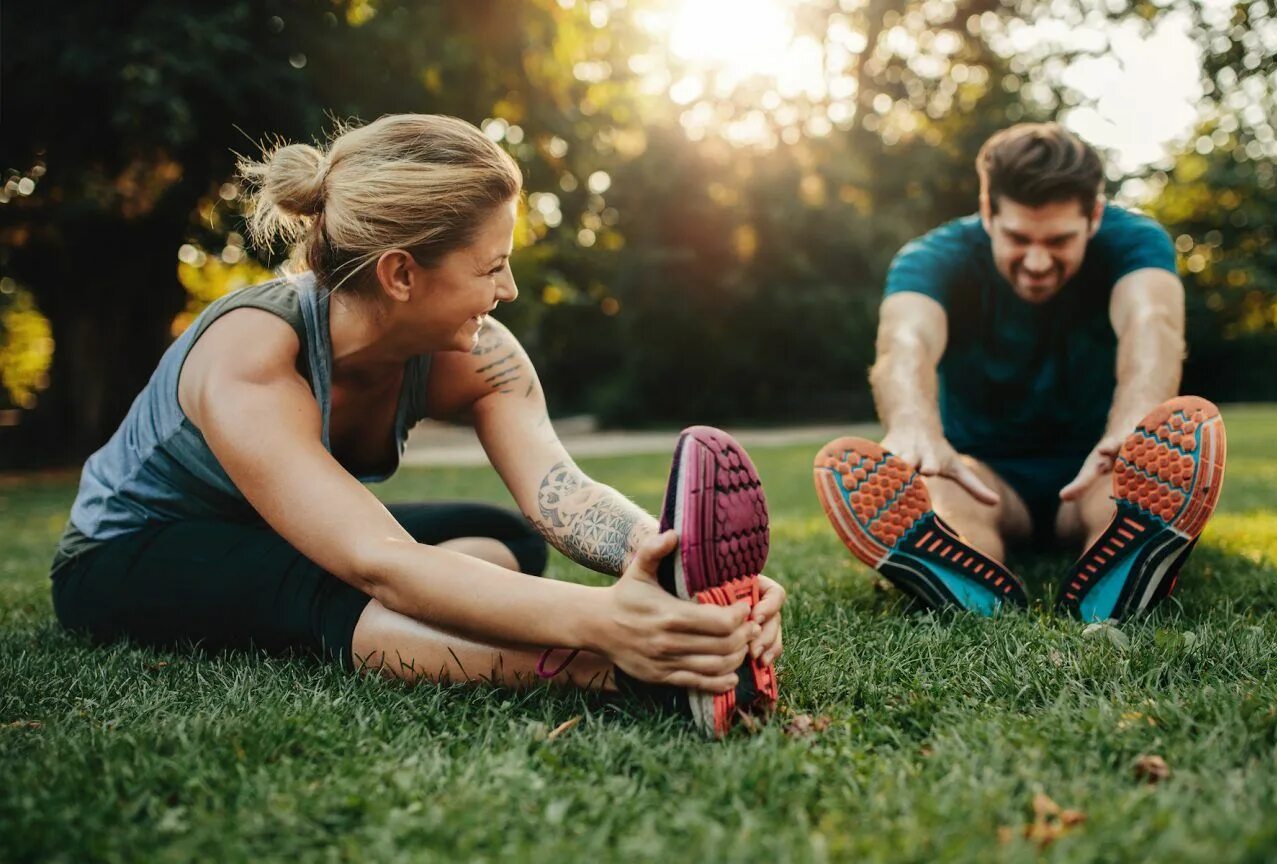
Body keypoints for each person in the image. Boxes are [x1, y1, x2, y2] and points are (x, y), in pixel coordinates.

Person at [48, 114, 785, 736]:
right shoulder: (253, 354)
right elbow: (378, 560)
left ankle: (420, 625)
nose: (510, 288)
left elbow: (559, 490)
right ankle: (621, 678)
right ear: (401, 274)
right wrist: (608, 624)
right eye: (490, 266)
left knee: (509, 540)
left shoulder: (475, 352)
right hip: (129, 552)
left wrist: (681, 573)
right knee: (340, 584)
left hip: (278, 536)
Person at [813, 123, 1226, 622]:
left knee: (1122, 496)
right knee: (945, 495)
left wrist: (1134, 427)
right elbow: (906, 340)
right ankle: (967, 573)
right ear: (987, 212)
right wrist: (914, 428)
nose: (1035, 261)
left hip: (1095, 466)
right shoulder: (932, 258)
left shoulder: (1135, 241)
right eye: (1017, 237)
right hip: (985, 475)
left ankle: (1123, 566)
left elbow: (1150, 320)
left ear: (1094, 217)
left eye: (1058, 240)